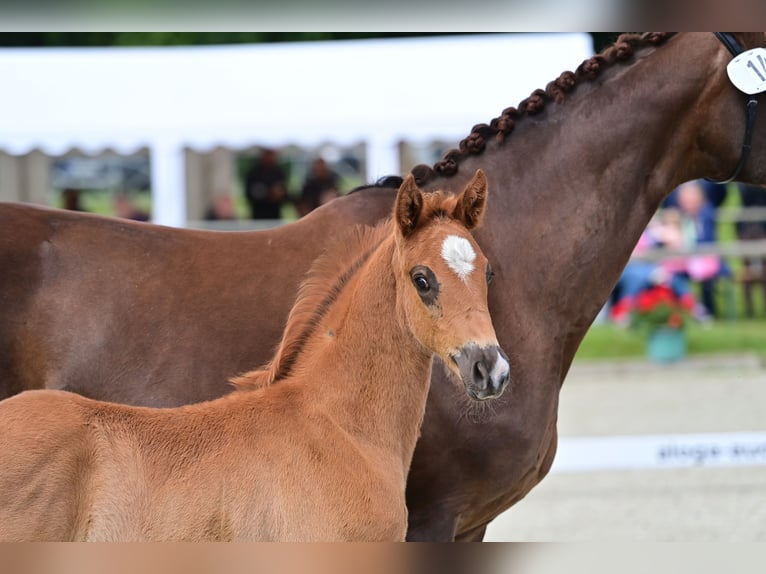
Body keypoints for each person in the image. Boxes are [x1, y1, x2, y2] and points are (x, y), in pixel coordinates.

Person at [243, 149, 288, 220]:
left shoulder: (278, 172)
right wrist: (269, 193)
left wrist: (280, 194)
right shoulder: (254, 173)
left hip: (275, 216)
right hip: (258, 216)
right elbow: (250, 194)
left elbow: (286, 194)